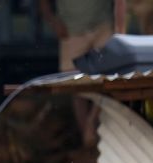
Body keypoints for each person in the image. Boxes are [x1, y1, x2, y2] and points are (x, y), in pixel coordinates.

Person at [39, 0, 113, 145]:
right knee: (75, 85)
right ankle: (87, 135)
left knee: (109, 77)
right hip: (71, 29)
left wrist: (119, 21)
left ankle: (92, 122)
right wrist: (53, 21)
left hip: (102, 24)